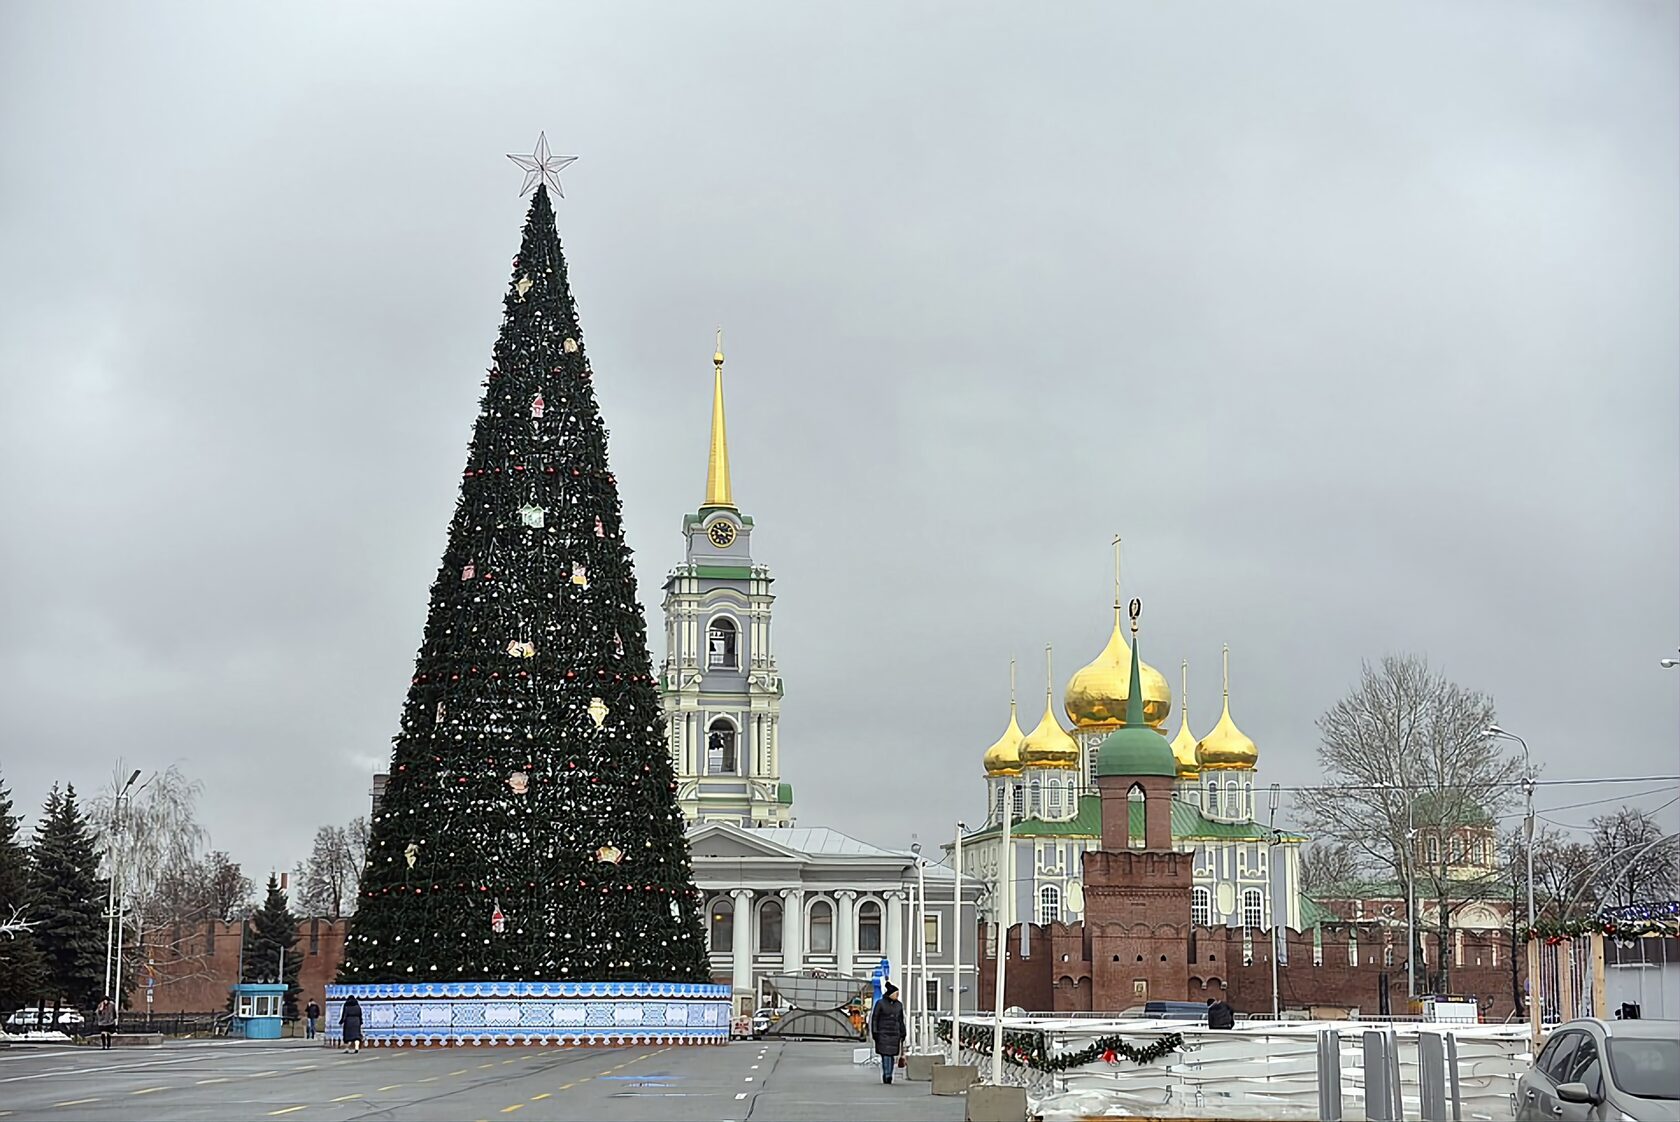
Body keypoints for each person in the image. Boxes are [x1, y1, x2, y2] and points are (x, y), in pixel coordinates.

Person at [868, 983, 907, 1085]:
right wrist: (874, 1032)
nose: (897, 996)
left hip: (895, 1033)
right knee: (885, 1055)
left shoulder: (899, 1005)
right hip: (883, 1032)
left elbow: (900, 1020)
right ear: (890, 994)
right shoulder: (880, 1003)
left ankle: (889, 1073)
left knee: (892, 1055)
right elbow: (875, 1018)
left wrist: (903, 1032)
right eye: (896, 994)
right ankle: (887, 1074)